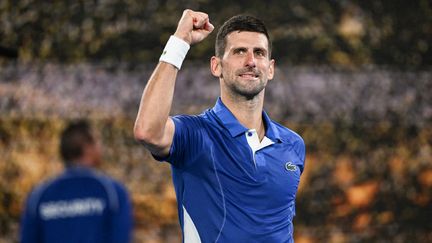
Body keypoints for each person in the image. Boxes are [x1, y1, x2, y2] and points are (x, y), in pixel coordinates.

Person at [134, 9, 305, 242]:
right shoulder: (195, 135)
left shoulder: (293, 144)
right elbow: (147, 131)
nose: (251, 61)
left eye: (259, 53)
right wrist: (179, 41)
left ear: (271, 68)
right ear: (216, 66)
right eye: (239, 51)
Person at [20, 120, 133, 243]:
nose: (101, 147)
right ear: (88, 148)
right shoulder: (112, 193)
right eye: (98, 142)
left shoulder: (39, 195)